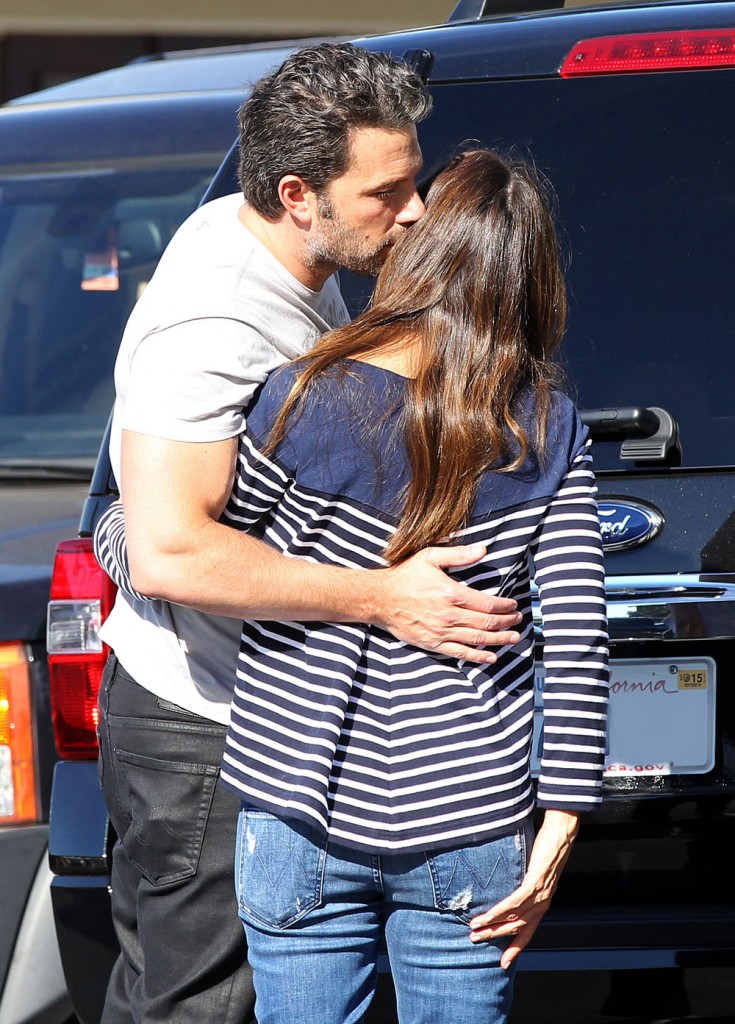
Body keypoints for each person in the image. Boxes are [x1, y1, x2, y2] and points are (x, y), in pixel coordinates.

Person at [93, 44, 522, 1024]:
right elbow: (167, 548)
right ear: (297, 193)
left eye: (414, 177)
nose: (414, 210)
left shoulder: (287, 251)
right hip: (205, 733)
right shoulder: (216, 322)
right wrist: (384, 594)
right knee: (204, 1010)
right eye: (388, 191)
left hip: (246, 724)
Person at [209, 149, 610, 1024]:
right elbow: (576, 638)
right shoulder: (546, 427)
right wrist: (561, 822)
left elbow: (198, 553)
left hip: (297, 806)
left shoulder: (305, 397)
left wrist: (125, 530)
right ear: (528, 281)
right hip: (470, 815)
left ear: (417, 254)